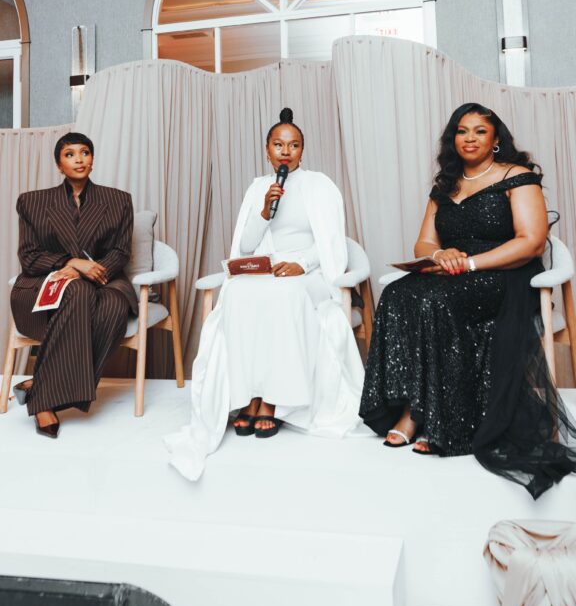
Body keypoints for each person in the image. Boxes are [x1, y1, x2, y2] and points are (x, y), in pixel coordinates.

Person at [360, 102, 576, 498]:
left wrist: (472, 263)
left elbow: (531, 242)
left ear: (495, 140)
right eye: (462, 131)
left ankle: (435, 420)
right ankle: (413, 407)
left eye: (480, 131)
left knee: (436, 302)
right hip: (455, 271)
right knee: (395, 294)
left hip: (504, 273)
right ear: (453, 139)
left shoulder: (518, 177)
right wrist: (440, 253)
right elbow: (424, 242)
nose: (470, 138)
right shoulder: (445, 185)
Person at [165, 108, 366, 481]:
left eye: (293, 145)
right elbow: (245, 245)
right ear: (267, 149)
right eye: (278, 145)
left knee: (285, 295)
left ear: (302, 150)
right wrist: (263, 212)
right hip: (267, 271)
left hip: (308, 273)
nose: (285, 151)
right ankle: (249, 397)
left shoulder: (319, 185)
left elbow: (330, 242)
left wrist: (301, 264)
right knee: (238, 295)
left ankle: (273, 399)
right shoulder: (258, 187)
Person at [10, 132, 137, 438]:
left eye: (84, 153)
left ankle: (39, 388)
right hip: (43, 285)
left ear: (92, 159)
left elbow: (120, 251)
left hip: (102, 281)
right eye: (69, 154)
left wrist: (92, 270)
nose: (78, 159)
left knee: (114, 305)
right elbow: (29, 256)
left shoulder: (118, 200)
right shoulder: (32, 201)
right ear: (59, 164)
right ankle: (43, 401)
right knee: (77, 290)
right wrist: (72, 263)